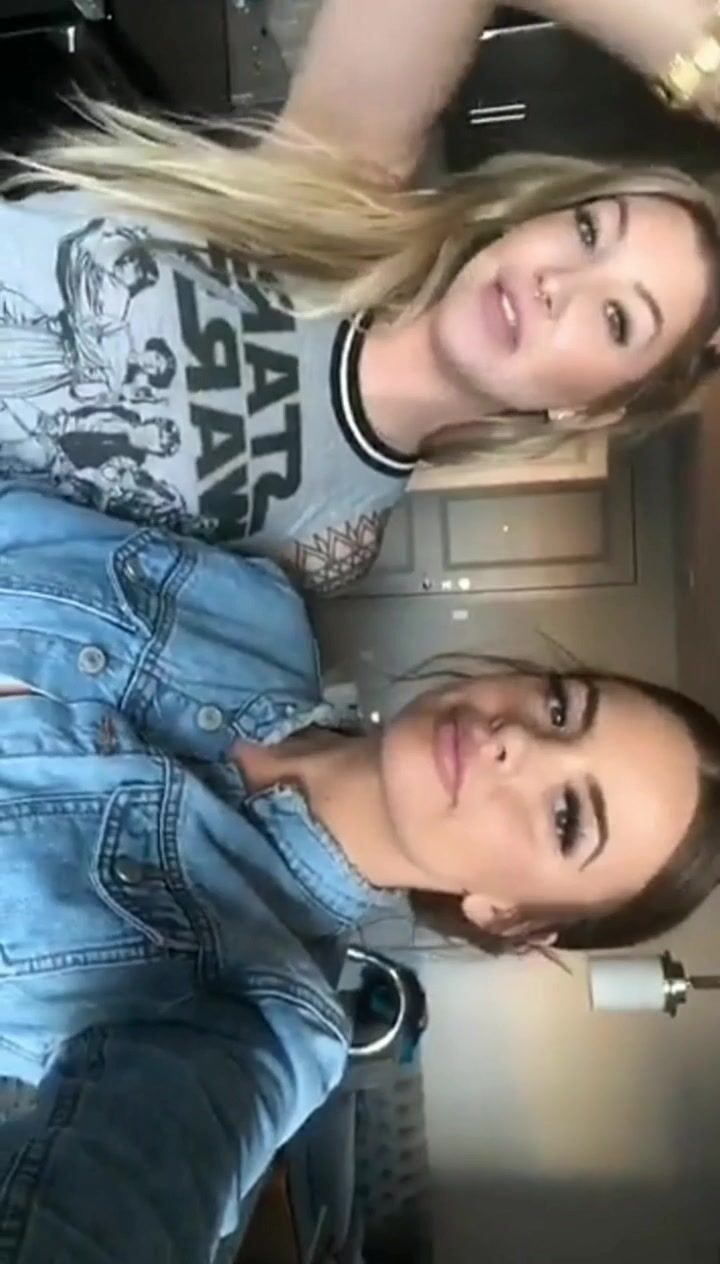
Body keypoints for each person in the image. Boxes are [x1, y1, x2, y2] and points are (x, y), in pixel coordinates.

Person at [0, 482, 713, 1259]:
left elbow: (112, 1206)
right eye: (561, 711)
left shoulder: (264, 1020)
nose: (519, 743)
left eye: (566, 817)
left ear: (505, 914)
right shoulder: (254, 613)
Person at [0, 0, 719, 587]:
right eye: (589, 231)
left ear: (593, 406)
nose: (557, 283)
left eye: (617, 318)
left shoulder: (332, 537)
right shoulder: (333, 192)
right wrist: (703, 61)